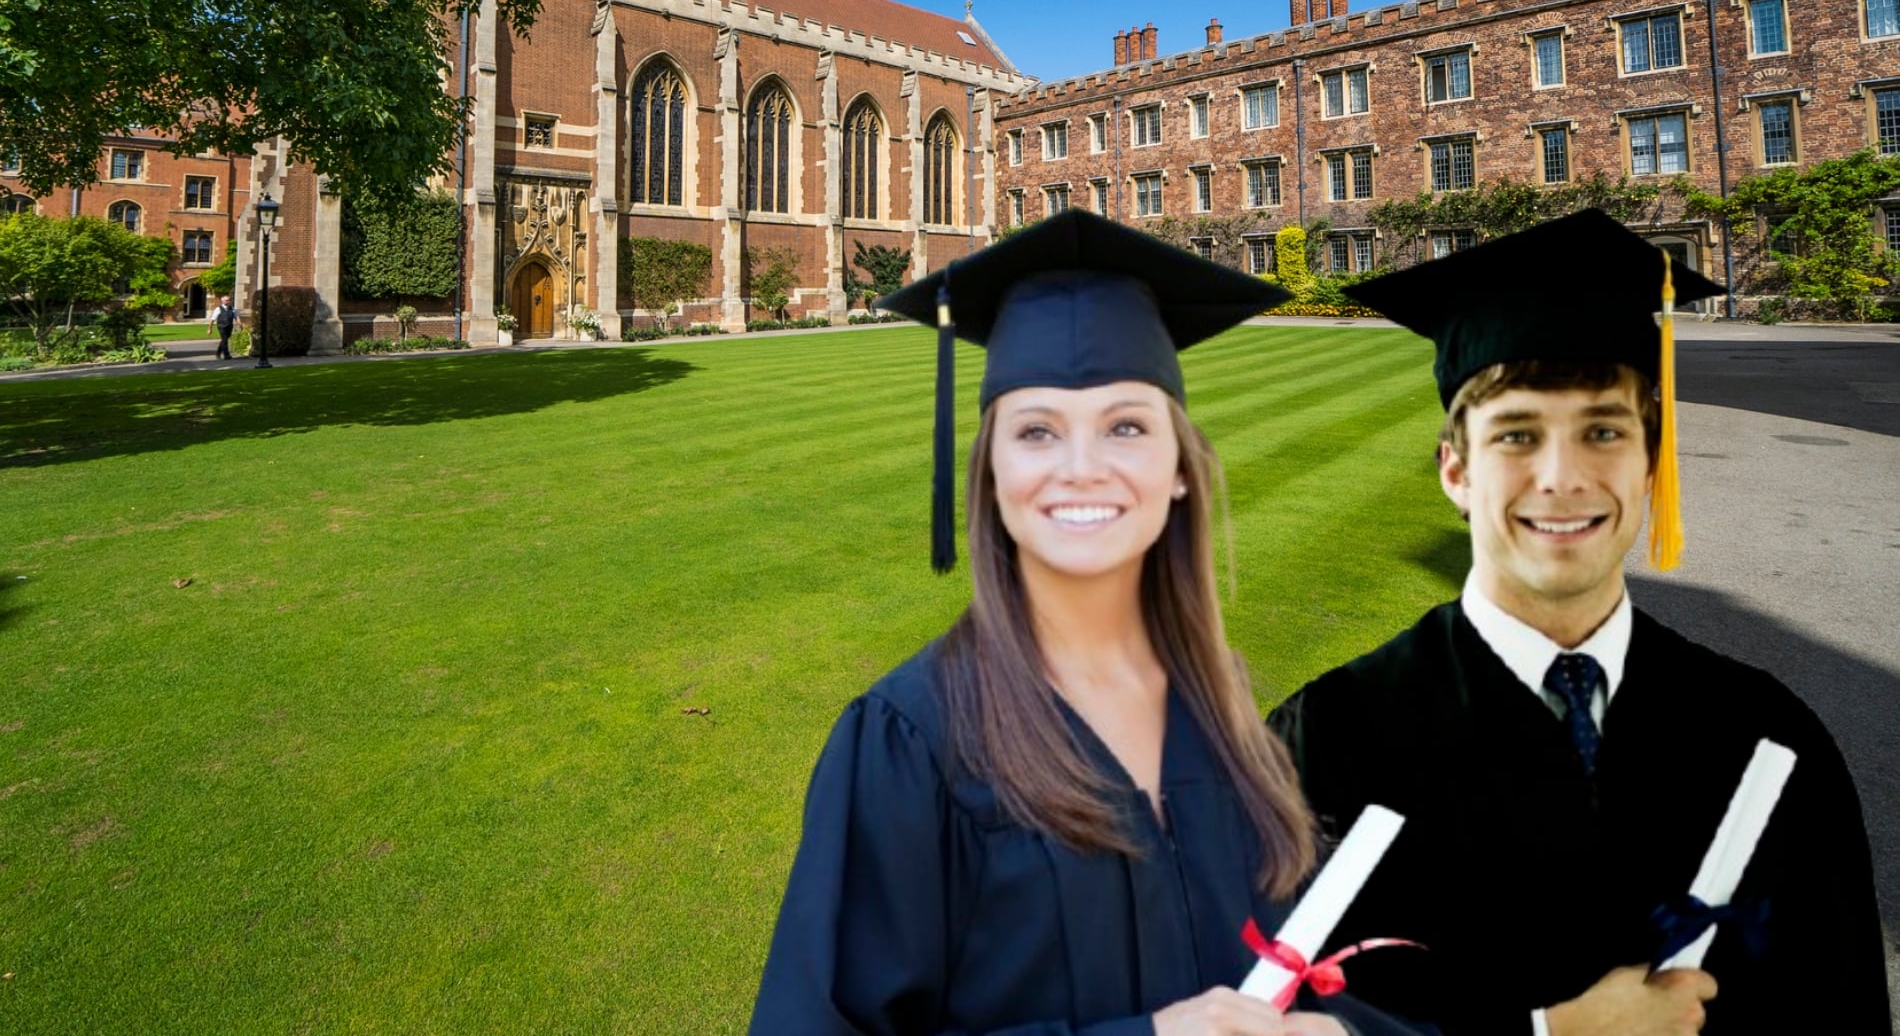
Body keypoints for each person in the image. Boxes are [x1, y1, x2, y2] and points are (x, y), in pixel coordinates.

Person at [750, 212, 1425, 1036]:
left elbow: (1287, 970)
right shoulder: (908, 745)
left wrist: (1342, 1031)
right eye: (1037, 430)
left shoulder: (1224, 714)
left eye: (1126, 426)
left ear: (1178, 468)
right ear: (990, 469)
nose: (1081, 467)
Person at [1268, 210, 1889, 1035]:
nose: (1561, 478)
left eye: (1603, 431)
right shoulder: (1327, 741)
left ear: (1651, 459)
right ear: (1454, 468)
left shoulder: (1768, 739)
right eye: (1517, 434)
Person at [209, 295, 236, 360]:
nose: (228, 301)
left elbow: (236, 316)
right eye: (227, 300)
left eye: (229, 300)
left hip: (229, 326)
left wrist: (240, 323)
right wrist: (209, 328)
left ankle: (218, 352)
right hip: (221, 326)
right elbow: (213, 319)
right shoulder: (218, 309)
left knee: (224, 340)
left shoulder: (232, 308)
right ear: (222, 301)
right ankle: (226, 355)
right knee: (225, 340)